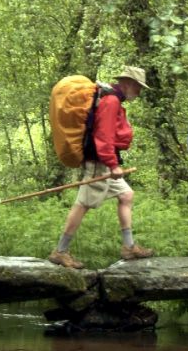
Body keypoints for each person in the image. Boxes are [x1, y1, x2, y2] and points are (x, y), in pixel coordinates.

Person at [48, 66, 155, 269]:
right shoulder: (111, 100)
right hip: (100, 161)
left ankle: (129, 246)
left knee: (126, 195)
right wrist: (112, 164)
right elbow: (103, 136)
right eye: (138, 87)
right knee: (83, 204)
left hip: (104, 160)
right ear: (129, 83)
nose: (139, 92)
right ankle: (60, 251)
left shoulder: (111, 98)